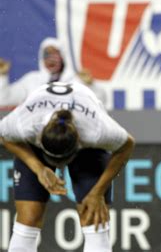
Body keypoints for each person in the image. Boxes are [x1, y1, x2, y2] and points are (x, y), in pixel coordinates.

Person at [0, 81, 135, 252]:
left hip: (86, 145)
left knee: (93, 218)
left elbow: (127, 146)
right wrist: (37, 167)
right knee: (28, 217)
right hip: (42, 133)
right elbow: (5, 137)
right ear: (39, 138)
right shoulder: (25, 123)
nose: (61, 168)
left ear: (79, 141)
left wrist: (97, 192)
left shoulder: (97, 130)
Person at [0, 37, 107, 106]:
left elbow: (99, 102)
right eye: (47, 54)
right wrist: (2, 76)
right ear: (41, 57)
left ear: (63, 57)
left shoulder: (75, 81)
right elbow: (3, 100)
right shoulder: (31, 80)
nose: (51, 58)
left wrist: (90, 85)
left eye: (55, 54)